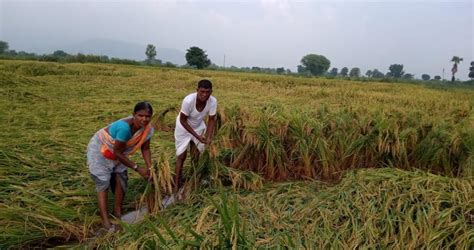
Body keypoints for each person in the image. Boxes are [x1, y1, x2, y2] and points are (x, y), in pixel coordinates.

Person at [86, 101, 154, 231]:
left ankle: (117, 213)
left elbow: (146, 148)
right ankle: (105, 220)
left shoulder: (147, 130)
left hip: (118, 153)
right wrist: (137, 168)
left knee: (121, 180)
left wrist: (149, 168)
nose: (144, 119)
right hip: (101, 150)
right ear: (134, 115)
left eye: (147, 116)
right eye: (140, 115)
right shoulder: (124, 128)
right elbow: (117, 153)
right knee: (103, 182)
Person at [174, 79, 217, 194]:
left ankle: (192, 179)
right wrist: (197, 137)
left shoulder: (212, 102)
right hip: (183, 127)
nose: (205, 95)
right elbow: (183, 120)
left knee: (196, 154)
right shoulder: (188, 101)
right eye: (202, 92)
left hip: (198, 126)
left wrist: (208, 137)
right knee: (181, 155)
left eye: (208, 92)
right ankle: (176, 184)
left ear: (211, 92)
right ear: (197, 90)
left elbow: (212, 119)